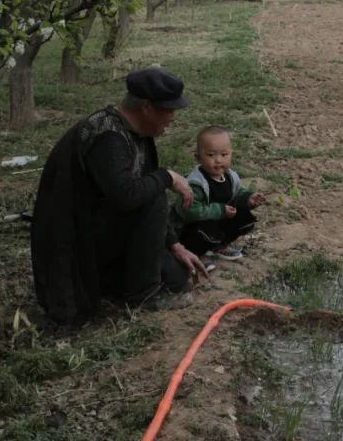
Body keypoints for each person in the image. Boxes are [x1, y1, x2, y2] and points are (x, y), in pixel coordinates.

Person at [30, 67, 209, 324]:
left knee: (178, 276)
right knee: (155, 195)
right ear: (147, 107)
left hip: (107, 230)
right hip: (79, 245)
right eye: (168, 110)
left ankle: (119, 283)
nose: (172, 117)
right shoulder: (108, 137)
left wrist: (174, 244)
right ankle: (143, 295)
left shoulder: (137, 133)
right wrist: (167, 176)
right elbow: (127, 196)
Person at [171, 125, 266, 261]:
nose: (218, 160)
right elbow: (189, 211)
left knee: (245, 218)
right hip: (191, 228)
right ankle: (197, 254)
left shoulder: (230, 176)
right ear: (198, 157)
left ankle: (219, 245)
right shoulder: (195, 184)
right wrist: (220, 211)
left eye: (224, 154)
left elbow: (237, 193)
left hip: (216, 221)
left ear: (231, 154)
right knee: (203, 231)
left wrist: (248, 199)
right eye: (211, 155)